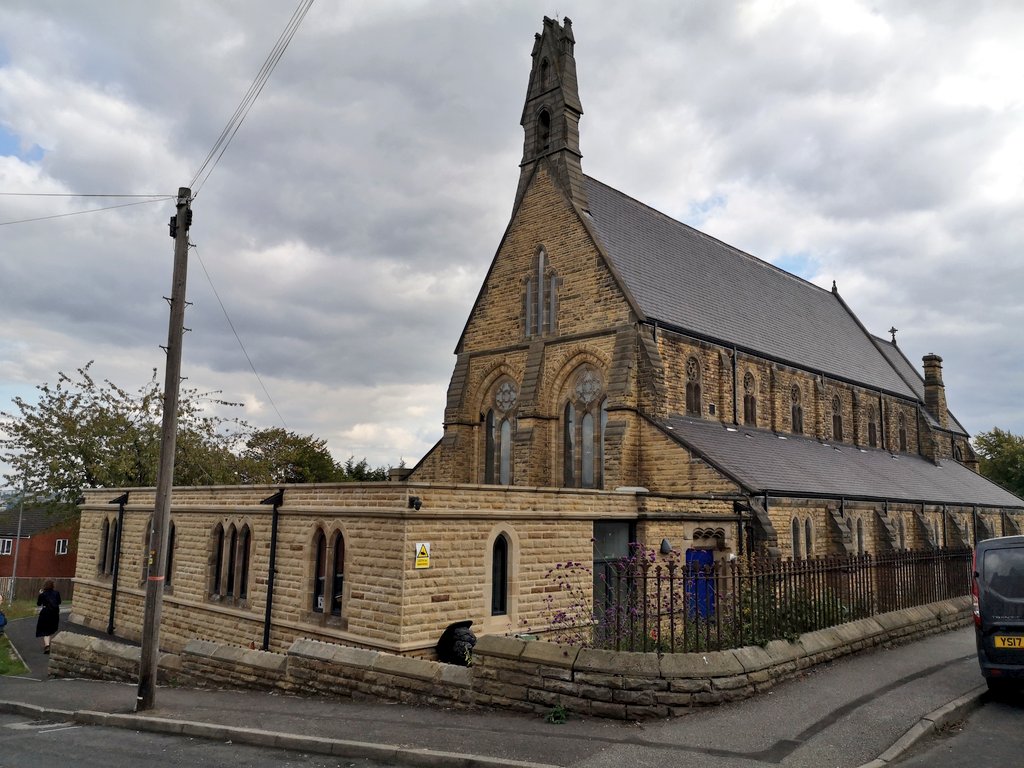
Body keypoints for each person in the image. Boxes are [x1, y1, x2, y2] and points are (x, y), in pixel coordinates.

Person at [36, 580, 61, 654]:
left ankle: (47, 645)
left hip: (45, 613)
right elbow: (59, 602)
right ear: (52, 586)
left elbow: (38, 603)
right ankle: (48, 644)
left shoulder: (43, 594)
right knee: (50, 630)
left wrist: (40, 594)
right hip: (54, 614)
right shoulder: (56, 593)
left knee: (45, 630)